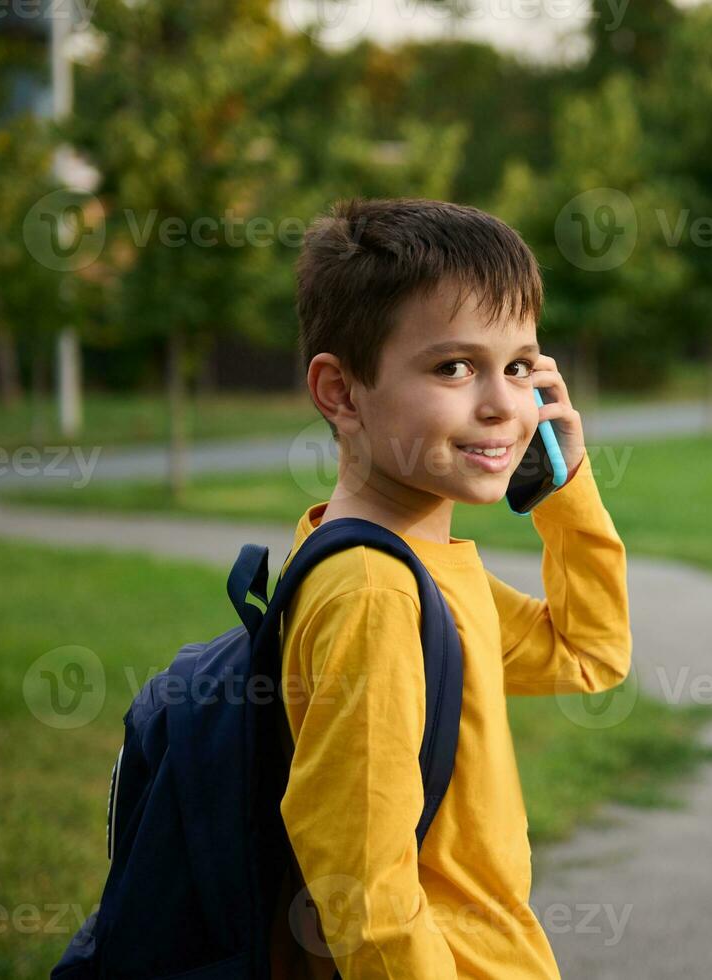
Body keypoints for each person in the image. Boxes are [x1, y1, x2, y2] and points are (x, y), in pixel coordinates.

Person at [266, 197, 633, 978]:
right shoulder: (375, 593)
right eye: (453, 367)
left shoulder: (414, 568)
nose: (502, 404)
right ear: (339, 393)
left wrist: (562, 483)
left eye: (521, 366)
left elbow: (587, 654)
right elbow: (364, 896)